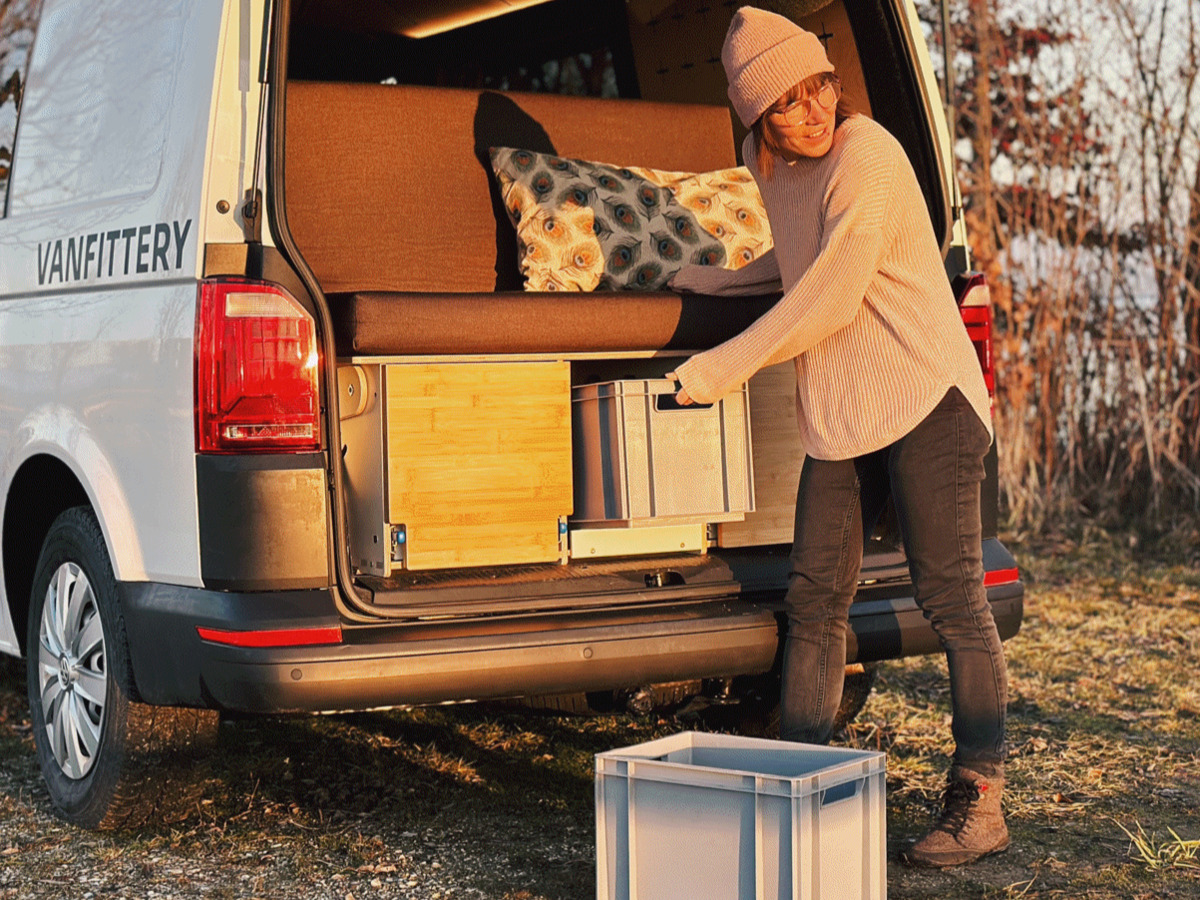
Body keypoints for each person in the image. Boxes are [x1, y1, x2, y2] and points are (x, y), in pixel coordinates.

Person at [665, 7, 1011, 868]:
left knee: (953, 602)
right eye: (787, 103)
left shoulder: (872, 153)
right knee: (814, 600)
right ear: (756, 120)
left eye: (818, 87)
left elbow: (834, 290)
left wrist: (722, 368)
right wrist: (715, 279)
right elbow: (797, 253)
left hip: (929, 394)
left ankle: (980, 799)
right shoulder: (764, 162)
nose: (813, 112)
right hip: (844, 407)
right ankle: (803, 790)